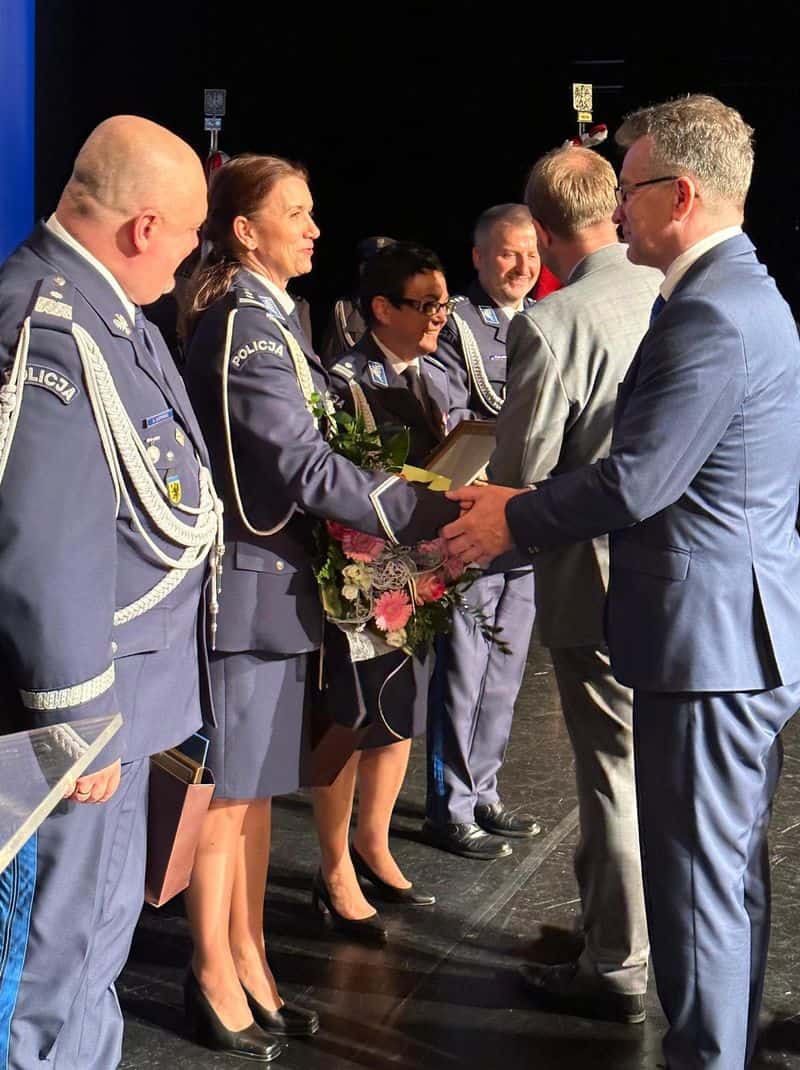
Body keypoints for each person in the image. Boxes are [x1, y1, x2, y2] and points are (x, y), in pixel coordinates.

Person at [442, 95, 800, 1070]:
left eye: (629, 187)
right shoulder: (726, 292)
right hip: (728, 630)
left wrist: (511, 515)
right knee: (720, 880)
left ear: (678, 195)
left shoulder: (711, 312)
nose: (614, 207)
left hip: (707, 643)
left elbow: (640, 480)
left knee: (698, 891)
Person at [180, 156, 458, 1057]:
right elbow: (297, 464)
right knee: (227, 797)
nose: (313, 229)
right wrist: (420, 510)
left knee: (257, 794)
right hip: (248, 584)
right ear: (245, 231)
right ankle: (211, 969)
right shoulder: (245, 324)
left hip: (279, 584)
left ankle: (250, 955)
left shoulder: (271, 318)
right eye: (294, 214)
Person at [0, 115, 216, 1070]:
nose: (190, 255)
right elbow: (43, 545)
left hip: (128, 699)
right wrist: (76, 718)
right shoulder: (51, 327)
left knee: (93, 944)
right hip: (86, 717)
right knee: (51, 961)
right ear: (144, 227)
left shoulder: (106, 313)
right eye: (189, 233)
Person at [488, 147, 660, 1022]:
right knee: (661, 772)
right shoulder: (670, 288)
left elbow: (519, 474)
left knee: (611, 775)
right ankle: (645, 942)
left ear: (544, 230)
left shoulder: (554, 323)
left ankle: (618, 964)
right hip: (676, 575)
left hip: (591, 582)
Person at [317, 241, 454, 925]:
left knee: (399, 713)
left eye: (444, 304)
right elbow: (337, 478)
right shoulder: (343, 381)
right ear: (381, 308)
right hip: (358, 575)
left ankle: (373, 842)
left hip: (415, 572)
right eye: (425, 305)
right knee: (351, 722)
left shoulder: (436, 375)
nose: (439, 318)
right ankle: (334, 865)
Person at [422, 204, 541, 860]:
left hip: (529, 519)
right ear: (477, 256)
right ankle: (451, 804)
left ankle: (484, 791)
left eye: (532, 253)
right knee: (465, 668)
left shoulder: (546, 320)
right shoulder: (457, 325)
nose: (522, 266)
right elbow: (451, 419)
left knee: (506, 668)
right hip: (474, 517)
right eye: (507, 253)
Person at [319, 235, 395, 364]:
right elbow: (331, 360)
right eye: (372, 264)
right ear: (362, 269)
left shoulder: (410, 307)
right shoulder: (345, 309)